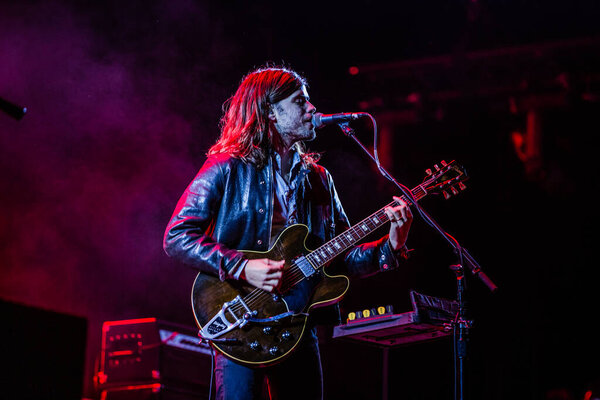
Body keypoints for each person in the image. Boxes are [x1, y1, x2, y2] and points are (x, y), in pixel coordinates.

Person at [163, 66, 413, 400]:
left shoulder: (318, 179)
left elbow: (339, 258)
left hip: (297, 326)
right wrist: (243, 266)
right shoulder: (227, 166)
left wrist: (391, 245)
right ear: (270, 112)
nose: (312, 109)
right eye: (300, 102)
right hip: (241, 321)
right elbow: (177, 236)